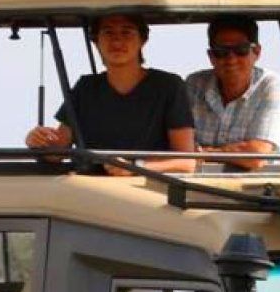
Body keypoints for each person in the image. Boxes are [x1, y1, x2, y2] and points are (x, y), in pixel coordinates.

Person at [25, 13, 195, 176]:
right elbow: (58, 150)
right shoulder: (85, 88)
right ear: (96, 41)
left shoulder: (169, 85)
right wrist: (37, 141)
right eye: (108, 32)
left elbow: (186, 162)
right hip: (87, 192)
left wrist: (136, 167)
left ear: (143, 39)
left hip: (150, 192)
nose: (117, 40)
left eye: (126, 32)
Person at [185, 15, 280, 171]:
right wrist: (236, 152)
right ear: (211, 56)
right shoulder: (194, 84)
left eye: (240, 50)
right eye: (221, 52)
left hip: (250, 190)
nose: (231, 59)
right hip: (191, 185)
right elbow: (180, 147)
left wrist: (204, 152)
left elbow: (257, 156)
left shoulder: (272, 86)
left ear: (256, 52)